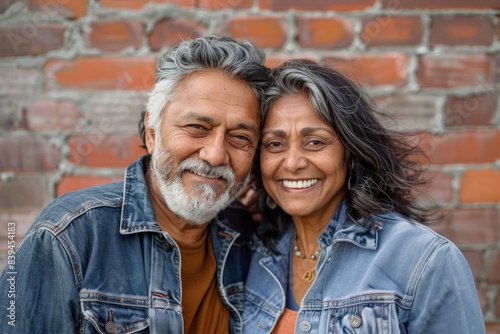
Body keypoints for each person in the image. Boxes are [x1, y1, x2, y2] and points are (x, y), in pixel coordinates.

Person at [0, 35, 271, 333]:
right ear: (152, 133)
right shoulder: (69, 237)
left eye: (240, 138)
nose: (216, 154)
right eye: (197, 128)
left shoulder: (246, 236)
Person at [242, 60, 485, 333]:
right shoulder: (253, 251)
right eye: (275, 144)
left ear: (351, 151)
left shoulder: (424, 260)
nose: (293, 162)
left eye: (315, 142)